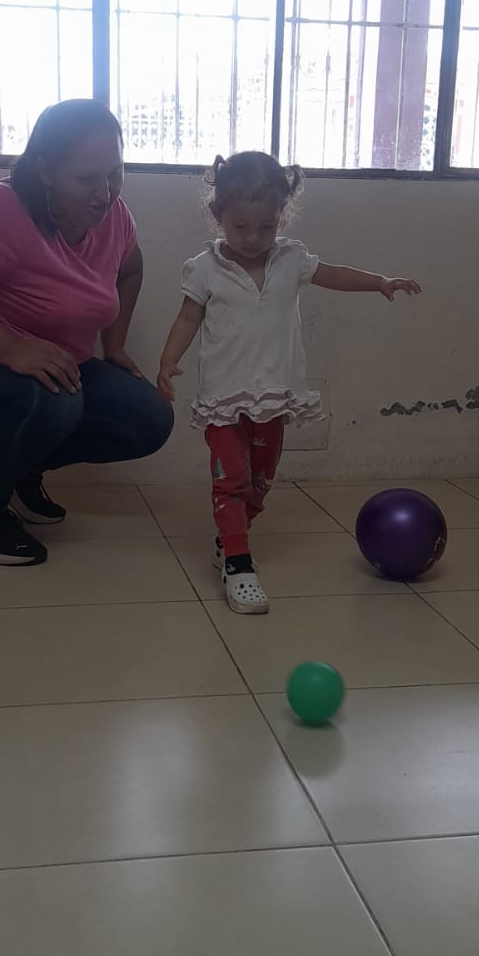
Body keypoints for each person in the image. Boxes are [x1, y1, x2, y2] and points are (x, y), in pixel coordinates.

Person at [0, 99, 173, 565]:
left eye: (115, 173)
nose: (104, 193)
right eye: (86, 178)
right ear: (44, 171)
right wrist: (12, 349)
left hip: (50, 369)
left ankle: (17, 472)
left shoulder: (114, 217)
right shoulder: (0, 208)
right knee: (55, 395)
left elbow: (131, 268)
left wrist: (115, 344)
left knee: (149, 418)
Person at [157, 151, 420, 614]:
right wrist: (168, 359)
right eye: (241, 226)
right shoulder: (203, 268)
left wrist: (379, 281)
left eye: (266, 226)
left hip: (274, 395)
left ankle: (231, 535)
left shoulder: (291, 258)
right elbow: (187, 317)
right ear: (217, 214)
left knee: (259, 481)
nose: (253, 238)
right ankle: (238, 562)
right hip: (223, 398)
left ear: (282, 216)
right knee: (230, 480)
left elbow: (332, 274)